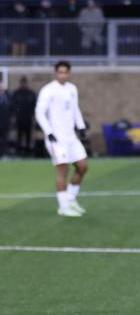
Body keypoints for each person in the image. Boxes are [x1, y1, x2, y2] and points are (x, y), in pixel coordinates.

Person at [34, 61, 89, 217]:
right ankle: (63, 207)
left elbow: (75, 109)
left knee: (82, 167)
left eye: (66, 72)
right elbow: (39, 112)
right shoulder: (48, 90)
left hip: (71, 136)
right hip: (56, 139)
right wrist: (49, 132)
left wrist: (82, 127)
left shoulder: (72, 89)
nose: (63, 75)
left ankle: (70, 199)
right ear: (55, 73)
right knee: (62, 170)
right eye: (60, 72)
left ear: (69, 73)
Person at [11, 76, 37, 155]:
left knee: (28, 135)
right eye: (22, 83)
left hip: (28, 118)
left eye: (24, 83)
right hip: (19, 119)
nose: (23, 84)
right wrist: (14, 116)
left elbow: (35, 106)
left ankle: (28, 151)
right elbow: (13, 106)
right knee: (19, 135)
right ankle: (18, 151)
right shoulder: (16, 93)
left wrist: (33, 116)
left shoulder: (31, 93)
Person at [0, 85, 10, 158]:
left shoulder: (7, 96)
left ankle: (4, 153)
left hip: (5, 121)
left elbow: (10, 107)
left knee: (4, 138)